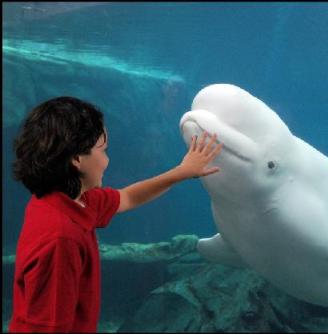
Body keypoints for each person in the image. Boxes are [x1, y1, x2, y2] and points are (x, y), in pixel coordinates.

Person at [8, 96, 223, 333]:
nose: (108, 159)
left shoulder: (62, 200)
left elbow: (128, 197)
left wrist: (182, 172)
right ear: (77, 159)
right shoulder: (61, 240)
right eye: (103, 150)